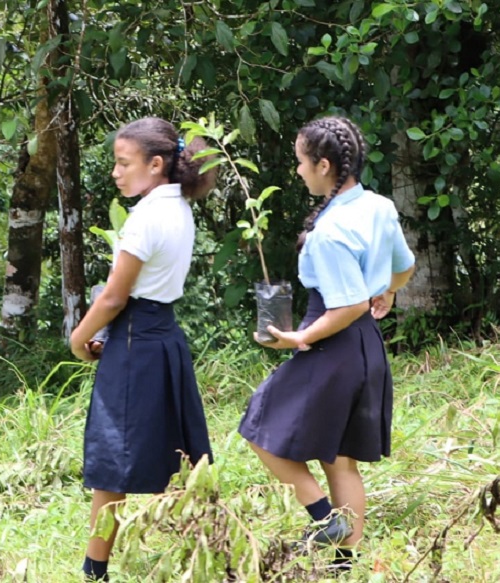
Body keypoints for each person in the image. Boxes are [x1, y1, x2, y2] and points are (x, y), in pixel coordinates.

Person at [238, 115, 416, 571]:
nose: (296, 171)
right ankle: (342, 566)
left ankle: (322, 517)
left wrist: (301, 336)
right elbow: (404, 265)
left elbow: (350, 304)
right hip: (365, 348)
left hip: (332, 342)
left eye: (299, 162)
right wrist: (390, 290)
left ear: (322, 165)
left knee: (260, 426)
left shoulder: (329, 233)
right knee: (340, 459)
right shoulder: (377, 206)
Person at [69, 117, 216, 581]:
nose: (116, 172)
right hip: (164, 337)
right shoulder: (178, 209)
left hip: (134, 342)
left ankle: (95, 570)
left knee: (113, 459)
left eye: (122, 162)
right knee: (174, 452)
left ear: (155, 165)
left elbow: (114, 297)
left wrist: (78, 336)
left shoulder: (146, 218)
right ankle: (207, 551)